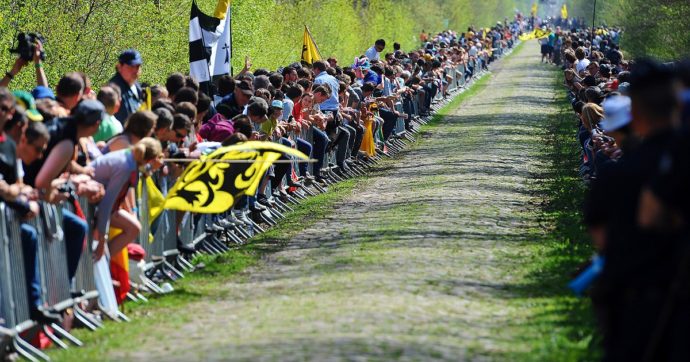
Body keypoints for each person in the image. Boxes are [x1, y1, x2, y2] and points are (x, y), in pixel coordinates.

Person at [91, 137, 163, 260]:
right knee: (131, 228)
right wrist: (103, 239)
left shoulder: (130, 158)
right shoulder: (125, 167)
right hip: (93, 204)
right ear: (150, 160)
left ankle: (103, 260)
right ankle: (99, 258)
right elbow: (107, 205)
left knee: (133, 227)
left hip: (98, 203)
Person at [110, 49, 143, 124]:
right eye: (131, 66)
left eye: (137, 66)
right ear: (119, 66)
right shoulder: (112, 90)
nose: (135, 70)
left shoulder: (137, 86)